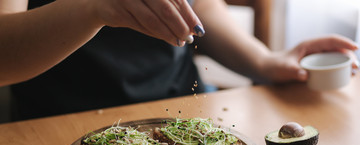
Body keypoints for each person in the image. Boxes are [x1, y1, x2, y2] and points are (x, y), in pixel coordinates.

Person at [0, 0, 358, 121]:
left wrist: (265, 61)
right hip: (59, 125)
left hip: (182, 112)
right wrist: (95, 7)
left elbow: (196, 7)